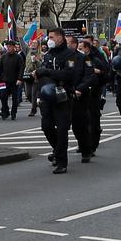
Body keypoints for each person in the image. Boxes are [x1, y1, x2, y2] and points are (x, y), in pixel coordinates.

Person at [32, 29, 80, 173]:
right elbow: (44, 74)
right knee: (46, 127)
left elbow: (69, 74)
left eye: (52, 37)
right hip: (48, 96)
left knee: (62, 129)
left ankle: (61, 161)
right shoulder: (48, 55)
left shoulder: (70, 55)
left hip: (62, 95)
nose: (49, 39)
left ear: (60, 38)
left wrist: (46, 72)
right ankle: (57, 149)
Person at [73, 36, 108, 161]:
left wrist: (98, 73)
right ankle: (83, 144)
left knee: (93, 120)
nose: (79, 49)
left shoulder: (96, 59)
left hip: (93, 93)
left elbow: (105, 75)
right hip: (80, 94)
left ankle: (92, 146)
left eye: (81, 48)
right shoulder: (76, 59)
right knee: (79, 121)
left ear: (87, 49)